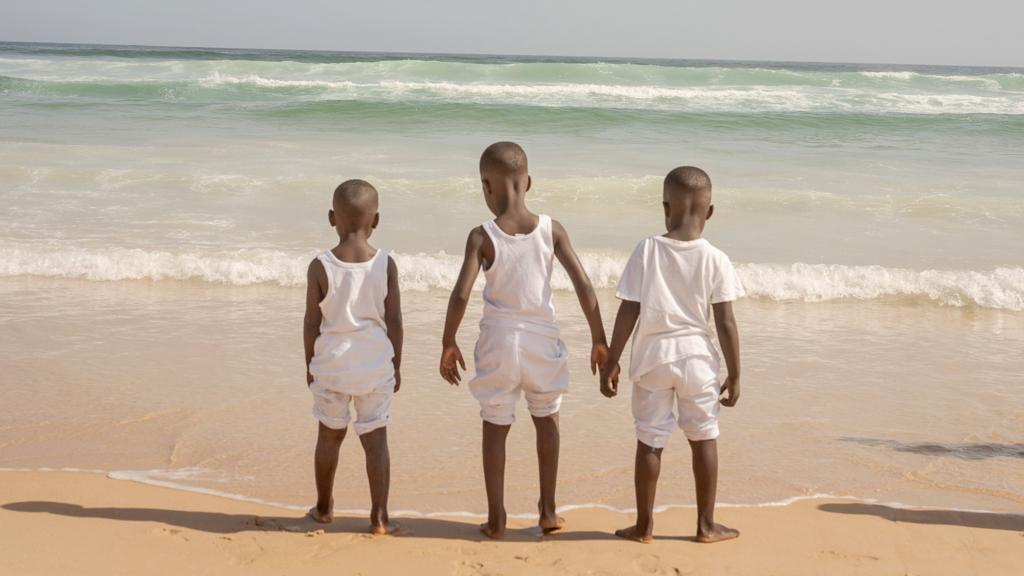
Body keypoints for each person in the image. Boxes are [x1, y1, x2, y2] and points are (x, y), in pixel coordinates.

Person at [439, 141, 608, 539]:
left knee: (495, 425)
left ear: (486, 186)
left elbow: (461, 293)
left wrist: (448, 341)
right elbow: (583, 285)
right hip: (541, 343)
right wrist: (599, 338)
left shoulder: (482, 236)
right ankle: (548, 510)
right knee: (546, 418)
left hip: (498, 344)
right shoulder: (552, 229)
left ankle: (496, 518)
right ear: (528, 182)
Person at [601, 166, 743, 544]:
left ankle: (644, 526)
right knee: (704, 438)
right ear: (709, 212)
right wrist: (736, 372)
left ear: (665, 207)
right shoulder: (716, 258)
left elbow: (628, 310)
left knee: (649, 440)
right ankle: (706, 525)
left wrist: (612, 359)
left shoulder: (647, 249)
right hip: (698, 361)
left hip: (653, 359)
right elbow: (726, 321)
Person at [303, 179, 402, 535]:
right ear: (376, 221)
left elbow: (311, 323)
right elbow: (394, 321)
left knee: (329, 436)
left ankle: (325, 507)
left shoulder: (321, 265)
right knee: (375, 439)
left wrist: (309, 365)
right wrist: (397, 364)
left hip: (331, 365)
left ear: (332, 218)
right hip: (375, 366)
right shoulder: (385, 264)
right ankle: (379, 517)